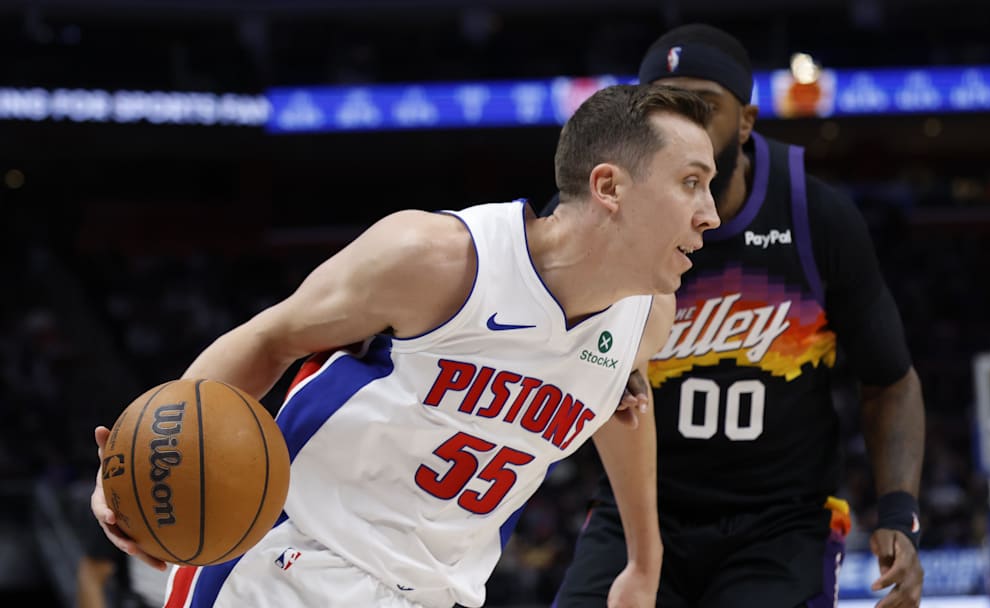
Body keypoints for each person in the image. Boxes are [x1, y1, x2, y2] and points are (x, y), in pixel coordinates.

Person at [90, 83, 722, 608]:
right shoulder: (438, 260)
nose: (710, 213)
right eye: (690, 182)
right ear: (610, 187)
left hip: (433, 593)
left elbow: (617, 405)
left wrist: (645, 557)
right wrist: (133, 466)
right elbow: (270, 339)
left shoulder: (646, 321)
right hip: (291, 567)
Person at [552, 24, 926, 608]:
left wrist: (899, 513)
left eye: (701, 106)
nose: (683, 123)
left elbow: (890, 378)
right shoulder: (597, 213)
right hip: (640, 510)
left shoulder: (815, 215)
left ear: (747, 121)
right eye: (663, 105)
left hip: (781, 522)